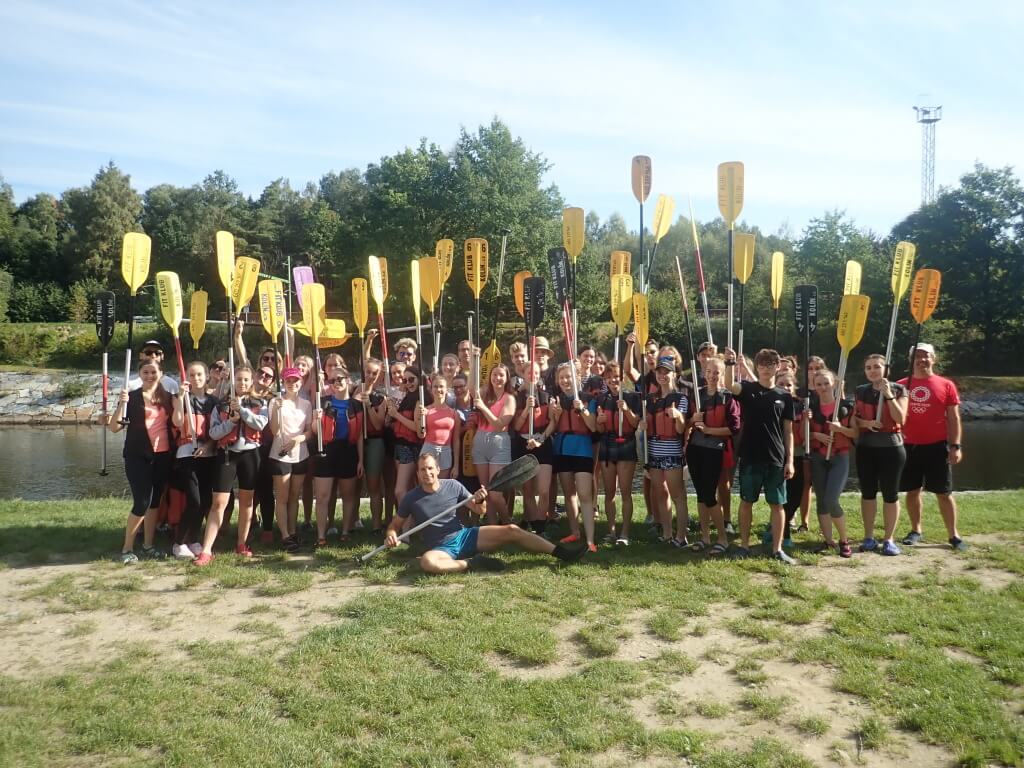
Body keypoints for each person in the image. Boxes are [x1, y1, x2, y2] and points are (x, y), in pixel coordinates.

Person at [386, 454, 587, 573]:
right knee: (427, 562)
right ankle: (470, 564)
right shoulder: (412, 497)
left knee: (512, 529)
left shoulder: (453, 486)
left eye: (430, 468)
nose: (426, 473)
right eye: (422, 470)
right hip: (441, 548)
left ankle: (561, 553)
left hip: (465, 536)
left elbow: (479, 510)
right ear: (417, 473)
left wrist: (481, 499)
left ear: (438, 469)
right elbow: (394, 526)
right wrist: (391, 535)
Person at [724, 347, 796, 563]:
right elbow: (729, 385)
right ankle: (744, 546)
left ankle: (777, 549)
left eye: (770, 364)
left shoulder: (785, 396)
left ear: (777, 367)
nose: (766, 368)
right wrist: (729, 364)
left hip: (776, 458)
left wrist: (790, 461)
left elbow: (788, 432)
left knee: (777, 505)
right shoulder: (748, 389)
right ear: (757, 367)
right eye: (762, 365)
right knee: (747, 501)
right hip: (750, 456)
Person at [194, 365, 269, 566]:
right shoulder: (220, 405)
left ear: (251, 381)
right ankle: (206, 549)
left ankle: (241, 543)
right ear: (233, 381)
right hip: (227, 455)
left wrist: (242, 411)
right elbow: (213, 433)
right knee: (218, 503)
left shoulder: (261, 403)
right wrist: (232, 422)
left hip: (250, 455)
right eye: (239, 379)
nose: (242, 383)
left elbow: (260, 424)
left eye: (246, 380)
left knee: (247, 502)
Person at [897, 343, 966, 551]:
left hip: (937, 447)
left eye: (926, 356)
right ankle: (916, 530)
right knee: (912, 491)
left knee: (944, 493)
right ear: (911, 360)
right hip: (908, 446)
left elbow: (953, 418)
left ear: (933, 359)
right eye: (917, 356)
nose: (921, 360)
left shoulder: (946, 385)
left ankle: (953, 535)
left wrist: (955, 446)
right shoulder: (900, 385)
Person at [108, 359, 174, 563]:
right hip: (137, 455)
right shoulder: (132, 398)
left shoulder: (168, 398)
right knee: (142, 501)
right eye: (145, 372)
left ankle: (148, 545)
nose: (150, 376)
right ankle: (127, 549)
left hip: (162, 455)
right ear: (139, 374)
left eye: (153, 372)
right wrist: (121, 403)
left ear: (161, 373)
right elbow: (114, 427)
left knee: (154, 502)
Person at [686, 357, 740, 555]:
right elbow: (685, 424)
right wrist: (693, 419)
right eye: (709, 371)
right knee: (701, 494)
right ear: (704, 373)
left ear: (722, 374)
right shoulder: (697, 395)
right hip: (695, 449)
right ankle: (705, 537)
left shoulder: (728, 398)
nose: (712, 376)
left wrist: (709, 430)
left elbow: (734, 429)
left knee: (709, 495)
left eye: (716, 372)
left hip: (714, 450)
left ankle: (722, 539)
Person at [546, 363, 599, 551]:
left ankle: (590, 540)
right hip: (562, 449)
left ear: (577, 378)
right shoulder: (556, 401)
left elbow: (593, 426)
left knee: (584, 494)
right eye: (562, 378)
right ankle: (575, 532)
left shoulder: (588, 399)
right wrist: (556, 415)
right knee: (569, 494)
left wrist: (582, 409)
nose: (565, 381)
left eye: (569, 377)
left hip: (582, 449)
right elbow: (553, 426)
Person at [169, 361, 218, 560]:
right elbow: (177, 422)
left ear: (206, 377)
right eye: (191, 375)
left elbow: (218, 429)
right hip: (187, 454)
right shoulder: (181, 398)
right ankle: (179, 542)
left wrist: (209, 446)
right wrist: (181, 397)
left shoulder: (214, 401)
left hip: (208, 454)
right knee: (194, 501)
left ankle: (194, 539)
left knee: (205, 501)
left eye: (199, 375)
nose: (196, 378)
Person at [808, 369, 857, 557]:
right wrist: (816, 435)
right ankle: (828, 541)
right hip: (818, 457)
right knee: (821, 502)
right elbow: (802, 434)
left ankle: (844, 540)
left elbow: (855, 433)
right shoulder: (810, 409)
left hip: (839, 457)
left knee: (831, 500)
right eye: (819, 384)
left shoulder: (845, 407)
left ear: (834, 383)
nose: (823, 388)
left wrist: (841, 429)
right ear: (814, 386)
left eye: (826, 383)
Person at [642, 355, 690, 546]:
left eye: (666, 372)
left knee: (678, 495)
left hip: (672, 453)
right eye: (659, 372)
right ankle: (667, 533)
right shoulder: (650, 399)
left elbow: (680, 429)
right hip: (654, 452)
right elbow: (644, 425)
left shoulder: (681, 398)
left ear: (674, 374)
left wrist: (678, 416)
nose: (662, 375)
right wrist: (642, 425)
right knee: (661, 493)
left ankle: (681, 536)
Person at [315, 365, 364, 544]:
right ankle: (321, 535)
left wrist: (361, 460)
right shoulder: (323, 402)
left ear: (348, 380)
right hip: (326, 450)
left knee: (348, 495)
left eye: (340, 379)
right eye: (332, 380)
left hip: (348, 451)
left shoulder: (356, 405)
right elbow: (315, 431)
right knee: (322, 496)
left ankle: (345, 531)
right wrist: (316, 419)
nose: (336, 383)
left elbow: (359, 435)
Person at [267, 366, 313, 552]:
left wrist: (298, 439)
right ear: (283, 383)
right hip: (280, 455)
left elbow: (309, 431)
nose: (292, 384)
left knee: (295, 496)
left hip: (300, 454)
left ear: (301, 382)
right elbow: (274, 431)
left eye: (295, 380)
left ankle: (293, 532)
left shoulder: (306, 404)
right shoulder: (275, 402)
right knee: (283, 497)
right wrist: (277, 411)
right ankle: (285, 535)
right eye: (288, 381)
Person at [595, 362, 640, 546]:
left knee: (626, 491)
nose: (613, 380)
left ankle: (625, 533)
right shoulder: (601, 399)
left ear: (622, 378)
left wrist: (626, 410)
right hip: (607, 445)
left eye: (616, 376)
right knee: (609, 493)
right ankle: (611, 531)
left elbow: (635, 423)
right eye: (609, 377)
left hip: (626, 444)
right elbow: (599, 429)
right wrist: (599, 420)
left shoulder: (632, 397)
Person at [472, 362, 517, 524]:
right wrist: (474, 359)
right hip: (480, 442)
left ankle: (507, 523)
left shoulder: (509, 398)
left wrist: (483, 407)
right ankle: (492, 527)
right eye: (494, 374)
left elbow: (500, 425)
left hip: (499, 443)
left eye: (501, 375)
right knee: (486, 491)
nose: (497, 378)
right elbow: (471, 387)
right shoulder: (484, 393)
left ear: (507, 378)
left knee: (495, 494)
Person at [515, 361, 553, 537]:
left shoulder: (546, 396)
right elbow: (516, 426)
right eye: (530, 372)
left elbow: (553, 422)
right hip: (523, 444)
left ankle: (541, 527)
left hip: (542, 444)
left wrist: (541, 439)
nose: (533, 376)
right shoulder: (517, 398)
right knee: (528, 490)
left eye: (536, 372)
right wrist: (525, 410)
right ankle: (535, 526)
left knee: (543, 490)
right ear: (523, 374)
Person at [386, 366, 428, 504]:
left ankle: (406, 518)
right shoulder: (405, 397)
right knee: (409, 488)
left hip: (410, 446)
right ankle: (411, 516)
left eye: (411, 379)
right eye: (405, 380)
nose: (408, 383)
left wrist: (396, 415)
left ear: (419, 379)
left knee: (400, 490)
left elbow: (417, 428)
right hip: (399, 445)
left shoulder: (421, 400)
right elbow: (391, 422)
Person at [418, 376, 459, 479]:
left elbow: (456, 440)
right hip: (428, 449)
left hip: (445, 451)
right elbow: (421, 434)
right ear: (431, 389)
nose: (438, 389)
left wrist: (456, 466)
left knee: (442, 485)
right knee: (426, 483)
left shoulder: (454, 413)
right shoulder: (425, 410)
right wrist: (421, 418)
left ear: (446, 389)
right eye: (435, 386)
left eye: (441, 386)